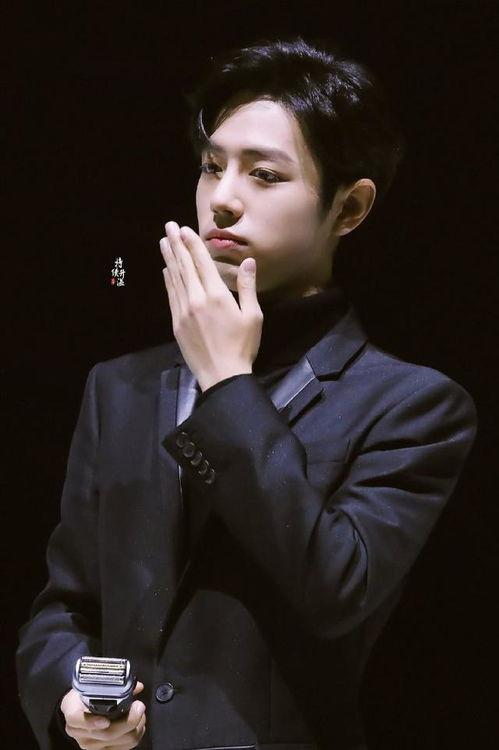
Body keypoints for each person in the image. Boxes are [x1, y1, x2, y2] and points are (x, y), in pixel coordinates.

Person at [16, 36, 477, 750]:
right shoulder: (119, 386)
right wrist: (68, 695)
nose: (222, 199)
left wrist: (228, 382)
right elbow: (65, 604)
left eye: (264, 174)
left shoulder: (415, 406)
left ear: (349, 208)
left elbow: (336, 591)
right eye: (211, 166)